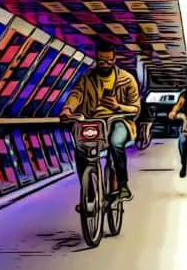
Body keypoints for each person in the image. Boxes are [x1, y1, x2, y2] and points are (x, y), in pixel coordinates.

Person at [59, 41, 140, 202]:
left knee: (116, 143)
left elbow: (136, 108)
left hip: (119, 120)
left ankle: (123, 186)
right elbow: (76, 94)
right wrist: (68, 109)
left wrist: (118, 107)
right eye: (101, 60)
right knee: (81, 150)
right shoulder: (87, 78)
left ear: (114, 58)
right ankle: (88, 193)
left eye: (108, 60)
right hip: (93, 122)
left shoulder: (126, 79)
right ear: (96, 58)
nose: (105, 63)